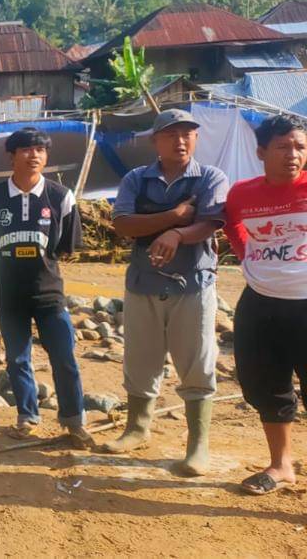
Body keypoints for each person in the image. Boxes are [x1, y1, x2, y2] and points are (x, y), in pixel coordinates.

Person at [105, 109, 229, 477]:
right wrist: (175, 217)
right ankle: (137, 428)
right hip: (143, 283)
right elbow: (122, 223)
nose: (180, 141)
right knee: (140, 358)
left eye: (188, 134)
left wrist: (176, 234)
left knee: (196, 363)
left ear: (196, 139)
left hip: (192, 283)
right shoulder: (136, 179)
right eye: (171, 134)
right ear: (154, 141)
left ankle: (197, 446)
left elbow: (210, 222)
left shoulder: (210, 177)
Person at [0, 128, 94, 448]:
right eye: (27, 149)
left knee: (64, 357)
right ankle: (27, 416)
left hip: (49, 295)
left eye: (41, 150)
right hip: (9, 295)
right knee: (17, 359)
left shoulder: (61, 197)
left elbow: (66, 248)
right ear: (11, 155)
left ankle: (74, 422)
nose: (34, 155)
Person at [222, 115, 307, 495]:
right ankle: (281, 465)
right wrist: (249, 259)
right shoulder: (242, 193)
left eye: (300, 146)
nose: (294, 154)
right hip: (260, 304)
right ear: (261, 152)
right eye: (283, 147)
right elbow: (232, 227)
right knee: (266, 385)